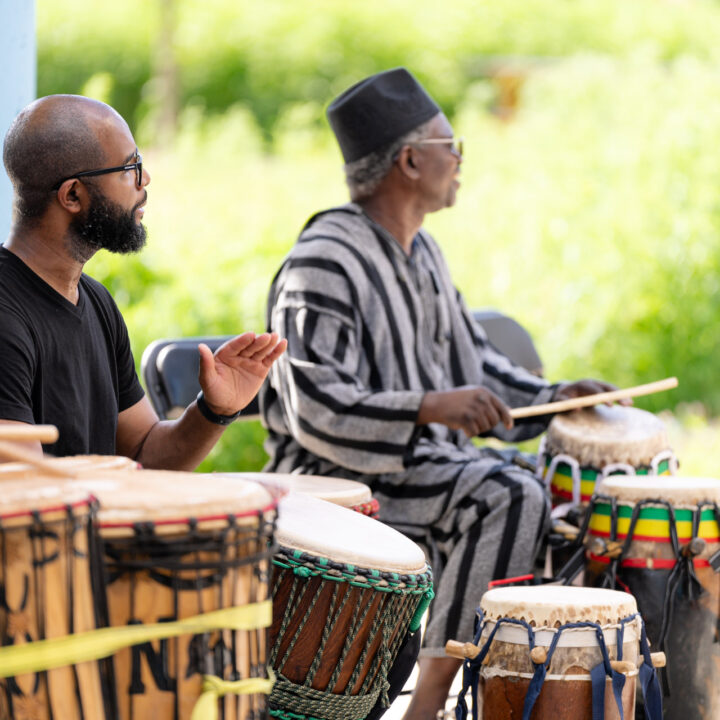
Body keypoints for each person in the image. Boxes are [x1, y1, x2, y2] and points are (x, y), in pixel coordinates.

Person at [260, 68, 619, 719]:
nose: (459, 162)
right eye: (451, 146)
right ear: (410, 160)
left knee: (554, 486)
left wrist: (556, 396)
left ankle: (527, 691)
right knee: (505, 496)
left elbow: (473, 365)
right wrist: (427, 408)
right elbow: (314, 408)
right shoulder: (323, 259)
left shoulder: (422, 252)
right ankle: (430, 705)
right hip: (335, 475)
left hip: (420, 466)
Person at [0, 94, 286, 468]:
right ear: (72, 195)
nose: (145, 179)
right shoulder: (6, 317)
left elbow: (143, 455)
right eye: (129, 167)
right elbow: (24, 493)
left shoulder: (97, 301)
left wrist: (214, 410)